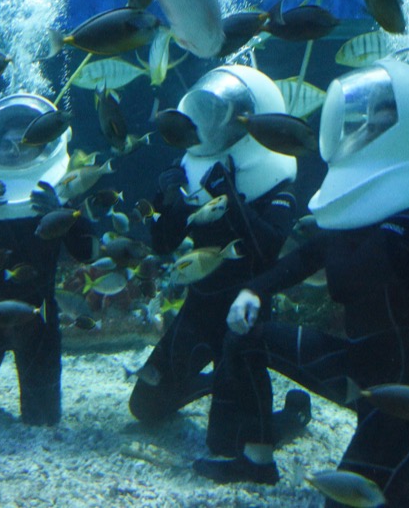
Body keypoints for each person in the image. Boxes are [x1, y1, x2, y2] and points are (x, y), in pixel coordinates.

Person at [216, 55, 409, 507]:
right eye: (367, 121)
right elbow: (308, 255)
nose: (364, 133)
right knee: (245, 339)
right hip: (360, 367)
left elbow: (346, 282)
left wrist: (334, 216)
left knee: (349, 501)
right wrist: (253, 289)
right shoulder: (371, 211)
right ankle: (255, 458)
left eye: (381, 124)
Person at [128, 64, 307, 481]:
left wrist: (232, 195)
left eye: (222, 117)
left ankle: (294, 417)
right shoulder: (195, 167)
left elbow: (266, 252)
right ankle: (207, 384)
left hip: (241, 321)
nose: (212, 126)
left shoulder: (276, 178)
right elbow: (162, 243)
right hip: (197, 310)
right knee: (144, 408)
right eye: (208, 116)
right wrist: (170, 200)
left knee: (225, 443)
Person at [0, 93, 92, 426]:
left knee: (43, 419)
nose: (13, 150)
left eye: (24, 143)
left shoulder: (57, 193)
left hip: (38, 315)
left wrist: (64, 213)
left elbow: (86, 252)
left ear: (42, 148)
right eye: (6, 144)